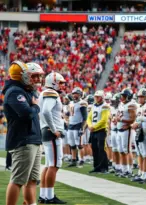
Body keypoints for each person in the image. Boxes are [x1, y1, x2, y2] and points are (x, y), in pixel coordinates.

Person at [3, 60, 44, 205]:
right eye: (33, 76)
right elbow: (26, 113)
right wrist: (36, 107)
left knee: (32, 180)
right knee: (18, 180)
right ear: (23, 75)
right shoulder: (14, 92)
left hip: (32, 138)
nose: (37, 80)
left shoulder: (25, 90)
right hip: (23, 140)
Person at [38, 71, 67, 204]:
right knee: (54, 165)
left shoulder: (44, 93)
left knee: (49, 164)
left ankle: (43, 195)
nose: (62, 85)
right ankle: (49, 197)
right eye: (60, 83)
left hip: (45, 130)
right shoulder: (51, 93)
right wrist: (55, 129)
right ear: (53, 82)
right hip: (51, 132)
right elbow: (45, 111)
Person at [87, 90, 110, 173]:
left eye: (98, 97)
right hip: (93, 130)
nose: (96, 98)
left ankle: (104, 168)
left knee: (101, 149)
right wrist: (90, 126)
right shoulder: (93, 106)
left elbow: (104, 120)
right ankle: (96, 167)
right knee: (94, 149)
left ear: (102, 97)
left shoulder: (105, 106)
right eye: (95, 97)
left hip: (101, 130)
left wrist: (94, 126)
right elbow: (89, 118)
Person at [116, 88, 137, 177]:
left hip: (126, 130)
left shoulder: (131, 105)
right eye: (122, 96)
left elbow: (133, 118)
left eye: (124, 96)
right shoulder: (121, 104)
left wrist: (123, 120)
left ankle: (130, 170)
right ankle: (124, 170)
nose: (122, 97)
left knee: (127, 151)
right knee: (121, 151)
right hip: (119, 129)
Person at [67, 87, 88, 167]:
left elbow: (85, 117)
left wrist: (82, 128)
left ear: (80, 94)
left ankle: (82, 160)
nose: (74, 95)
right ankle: (73, 160)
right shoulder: (71, 103)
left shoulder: (82, 103)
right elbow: (69, 114)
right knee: (72, 144)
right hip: (71, 125)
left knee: (79, 144)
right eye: (73, 93)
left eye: (76, 93)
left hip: (78, 125)